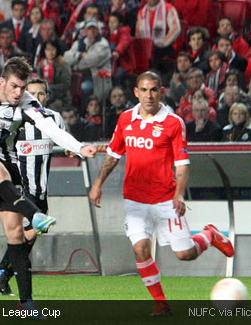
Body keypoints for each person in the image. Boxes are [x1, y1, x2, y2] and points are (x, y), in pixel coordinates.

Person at [0, 57, 96, 314]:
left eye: (23, 87)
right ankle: (35, 214)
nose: (19, 92)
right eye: (15, 86)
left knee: (15, 234)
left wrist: (80, 147)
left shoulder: (28, 104)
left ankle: (26, 302)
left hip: (3, 160)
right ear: (3, 81)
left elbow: (52, 128)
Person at [89, 71, 234, 316]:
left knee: (184, 254)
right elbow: (114, 153)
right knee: (140, 249)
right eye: (144, 90)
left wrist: (178, 195)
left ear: (161, 92)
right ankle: (161, 303)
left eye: (153, 90)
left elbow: (182, 163)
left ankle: (210, 235)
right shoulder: (125, 119)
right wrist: (98, 183)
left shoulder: (173, 122)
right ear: (136, 92)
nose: (149, 95)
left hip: (166, 199)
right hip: (134, 199)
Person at [0, 77, 65, 296]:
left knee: (30, 236)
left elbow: (63, 140)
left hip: (41, 189)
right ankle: (3, 273)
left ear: (47, 96)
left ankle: (2, 271)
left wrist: (74, 149)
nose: (36, 97)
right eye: (31, 93)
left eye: (41, 93)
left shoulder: (55, 118)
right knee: (28, 235)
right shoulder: (15, 119)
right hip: (21, 191)